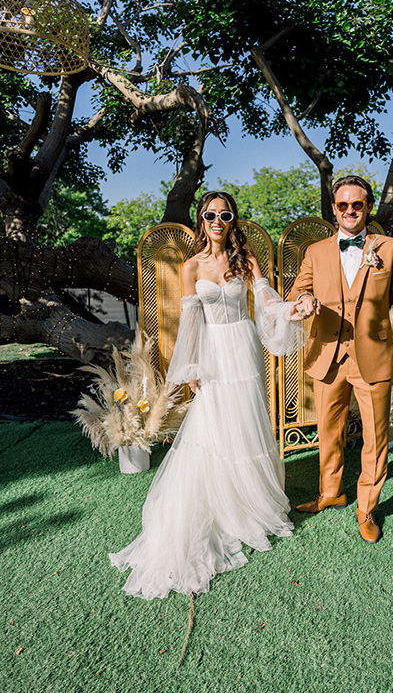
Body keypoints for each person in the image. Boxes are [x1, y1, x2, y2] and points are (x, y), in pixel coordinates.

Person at [109, 191, 307, 599]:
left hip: (244, 347)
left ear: (233, 220)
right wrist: (192, 367)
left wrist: (290, 311)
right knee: (216, 425)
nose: (218, 220)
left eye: (225, 214)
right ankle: (220, 502)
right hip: (214, 351)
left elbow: (267, 301)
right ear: (202, 220)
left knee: (247, 422)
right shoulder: (191, 266)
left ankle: (251, 502)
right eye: (210, 214)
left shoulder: (245, 260)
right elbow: (191, 320)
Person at [289, 175, 393, 543]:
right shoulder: (316, 252)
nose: (350, 211)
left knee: (375, 437)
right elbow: (298, 288)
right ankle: (331, 492)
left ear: (367, 207)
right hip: (328, 357)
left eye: (358, 204)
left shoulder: (391, 249)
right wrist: (302, 300)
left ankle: (366, 508)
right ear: (334, 209)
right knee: (329, 433)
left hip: (374, 359)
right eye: (343, 205)